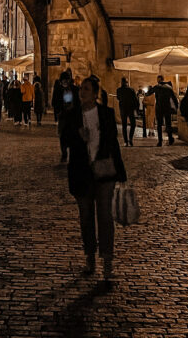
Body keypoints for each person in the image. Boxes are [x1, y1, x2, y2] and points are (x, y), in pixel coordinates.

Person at [62, 75, 126, 286]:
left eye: (87, 89)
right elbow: (64, 141)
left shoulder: (106, 114)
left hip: (104, 172)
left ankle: (107, 260)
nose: (82, 92)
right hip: (81, 172)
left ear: (96, 93)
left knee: (105, 218)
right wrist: (76, 135)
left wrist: (121, 174)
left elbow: (113, 145)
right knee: (86, 217)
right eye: (81, 89)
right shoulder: (71, 116)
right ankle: (90, 255)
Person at [54, 71, 80, 162]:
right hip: (63, 116)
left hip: (73, 116)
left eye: (66, 80)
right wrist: (59, 111)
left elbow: (78, 102)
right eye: (63, 80)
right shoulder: (58, 90)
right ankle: (64, 153)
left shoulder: (75, 90)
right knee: (62, 136)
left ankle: (73, 154)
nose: (65, 82)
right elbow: (54, 102)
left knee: (73, 135)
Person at [149, 76, 179, 146]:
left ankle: (160, 141)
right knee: (168, 124)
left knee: (159, 125)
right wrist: (177, 107)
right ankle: (170, 138)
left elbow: (148, 93)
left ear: (158, 80)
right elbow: (174, 98)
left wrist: (151, 89)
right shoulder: (168, 87)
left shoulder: (157, 87)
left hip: (159, 108)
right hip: (167, 107)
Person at [116, 77, 138, 147]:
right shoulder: (131, 90)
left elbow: (118, 98)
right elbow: (135, 99)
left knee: (124, 125)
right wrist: (136, 108)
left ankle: (126, 141)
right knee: (133, 124)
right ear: (127, 82)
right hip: (130, 109)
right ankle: (130, 139)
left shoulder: (118, 90)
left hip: (123, 109)